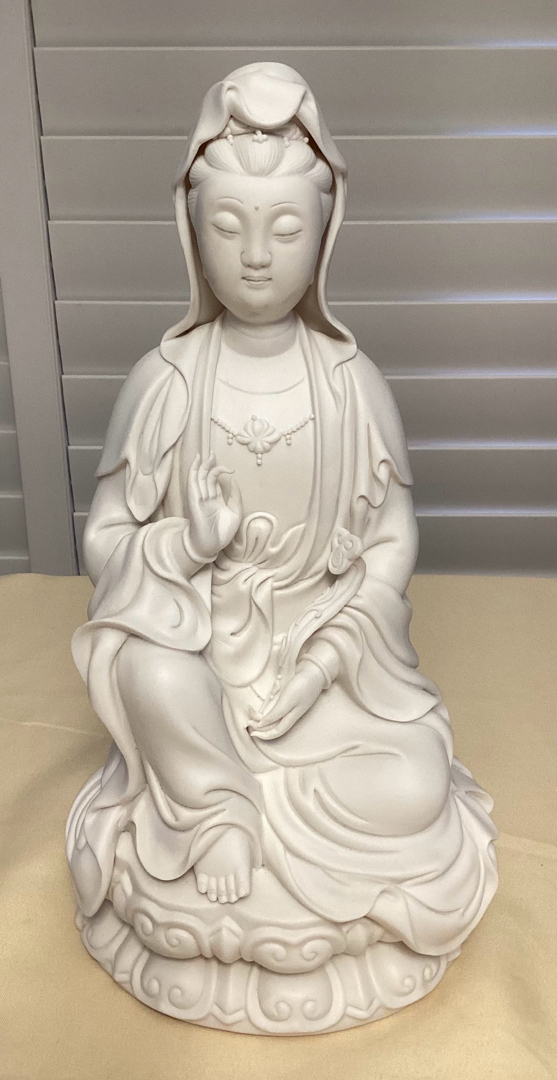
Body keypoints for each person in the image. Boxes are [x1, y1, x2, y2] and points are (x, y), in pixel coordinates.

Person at [67, 64, 497, 959]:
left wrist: (321, 663)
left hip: (322, 668)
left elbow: (389, 541)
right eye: (228, 227)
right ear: (193, 235)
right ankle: (218, 813)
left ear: (324, 237)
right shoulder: (167, 381)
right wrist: (186, 545)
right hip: (200, 661)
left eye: (285, 229)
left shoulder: (349, 383)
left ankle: (228, 808)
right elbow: (106, 537)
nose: (256, 255)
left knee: (415, 781)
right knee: (149, 671)